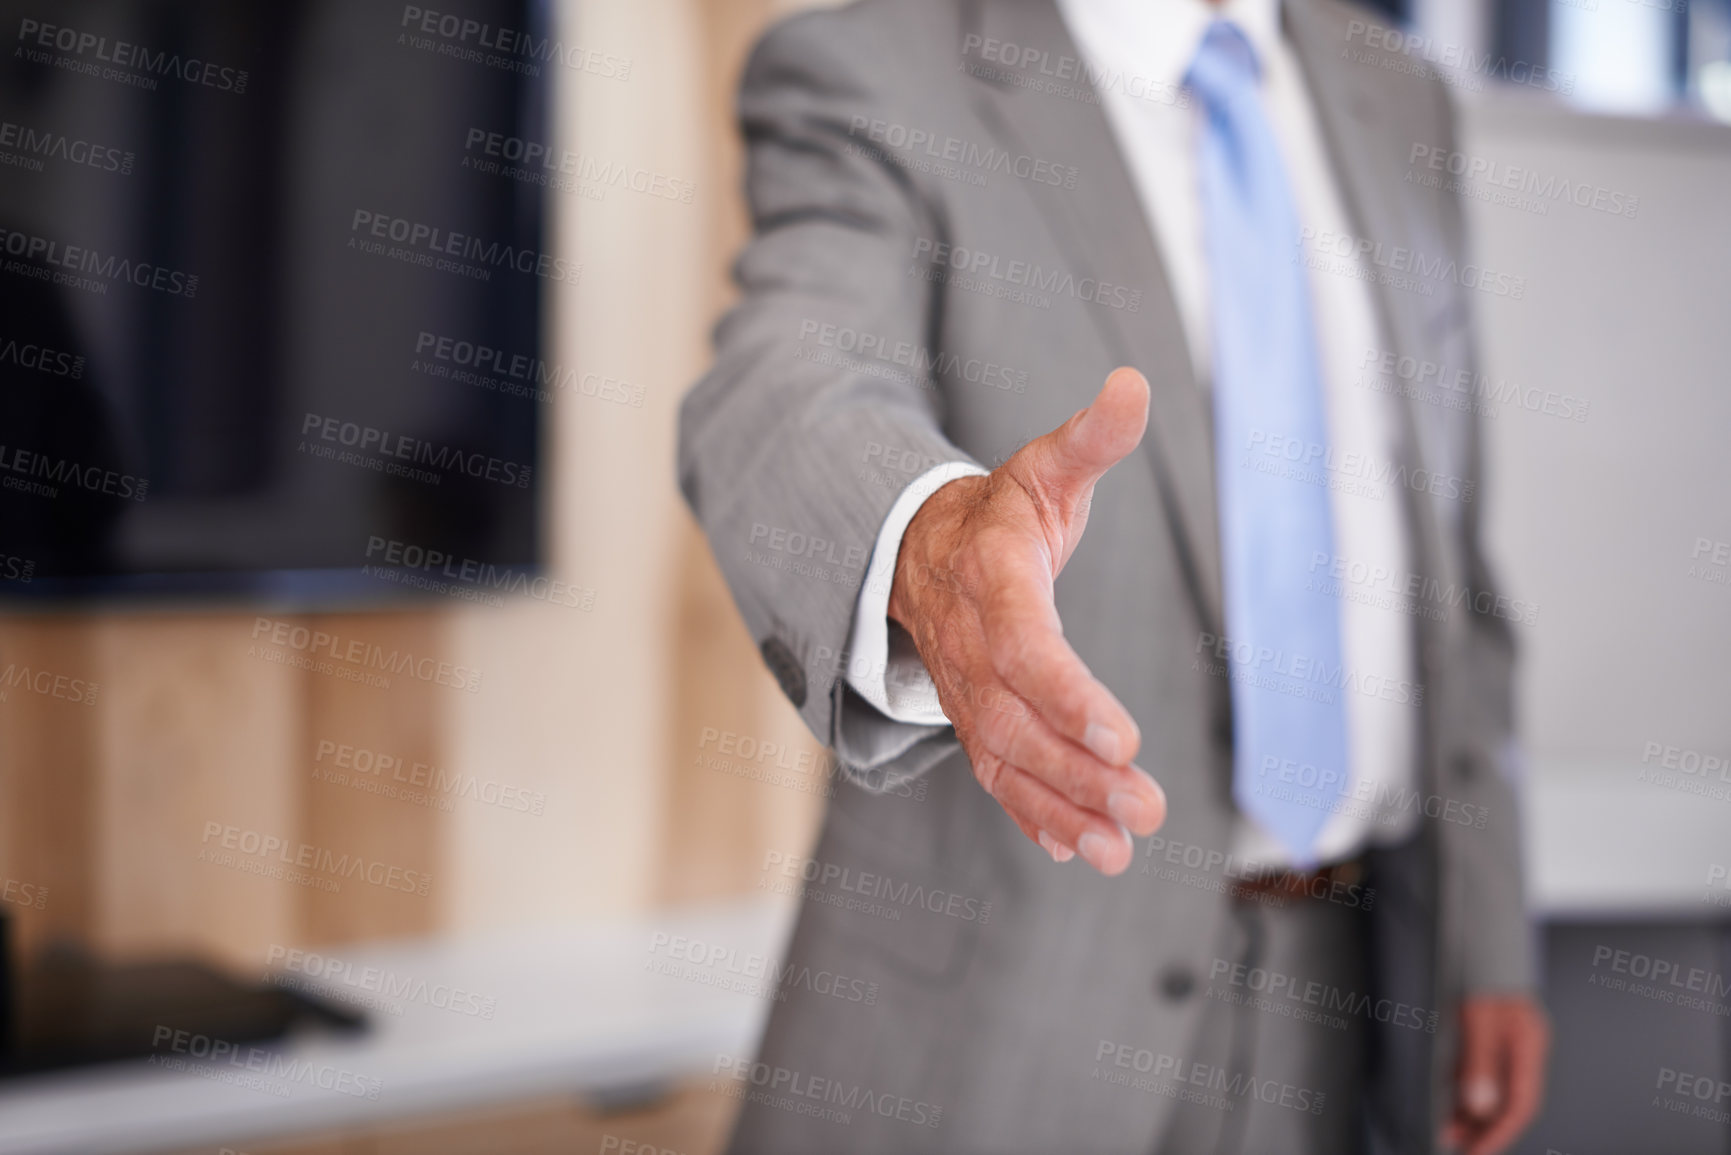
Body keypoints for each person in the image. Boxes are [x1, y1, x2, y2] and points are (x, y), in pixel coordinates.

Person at [678, 0, 1548, 1151]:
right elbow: (791, 371)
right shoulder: (871, 67)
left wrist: (1487, 937)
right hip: (998, 1034)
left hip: (1355, 998)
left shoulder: (1404, 96)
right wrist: (929, 535)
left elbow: (1454, 567)